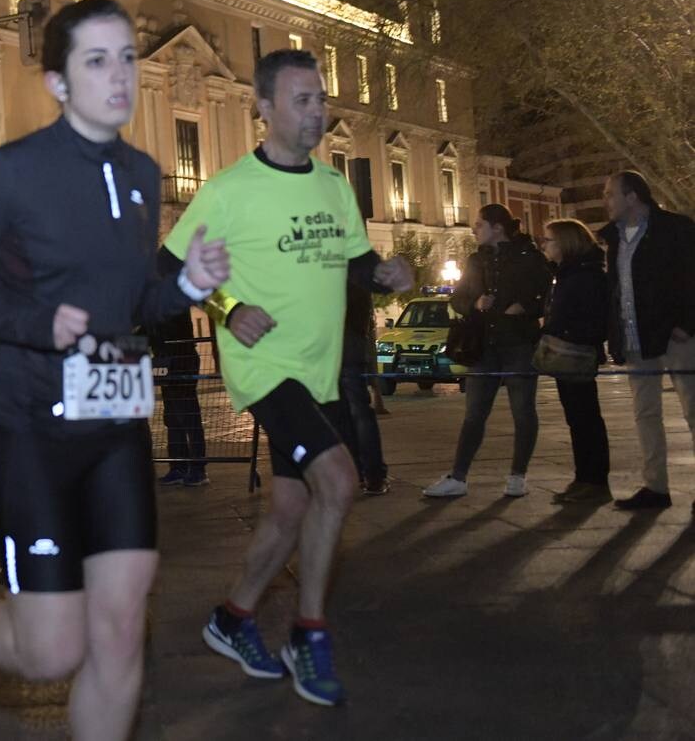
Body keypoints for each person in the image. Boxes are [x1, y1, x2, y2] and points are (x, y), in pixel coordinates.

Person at [0, 0, 229, 740]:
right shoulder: (14, 172)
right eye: (96, 61)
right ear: (61, 82)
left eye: (129, 58)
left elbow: (134, 298)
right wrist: (35, 324)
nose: (120, 76)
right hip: (33, 431)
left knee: (121, 630)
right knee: (50, 653)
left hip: (118, 428)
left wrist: (190, 286)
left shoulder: (141, 175)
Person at [162, 48, 411, 707]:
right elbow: (167, 273)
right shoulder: (228, 190)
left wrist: (384, 274)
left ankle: (232, 619)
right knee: (340, 480)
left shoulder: (334, 187)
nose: (318, 112)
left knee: (290, 510)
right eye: (303, 100)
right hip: (265, 370)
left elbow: (356, 265)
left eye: (321, 99)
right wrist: (228, 308)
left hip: (320, 373)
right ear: (265, 109)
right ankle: (308, 633)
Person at [423, 204, 551, 499]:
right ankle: (458, 475)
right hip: (484, 344)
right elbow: (458, 299)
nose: (474, 229)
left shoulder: (529, 257)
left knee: (523, 411)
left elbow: (544, 293)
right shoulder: (476, 260)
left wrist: (526, 307)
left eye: (479, 224)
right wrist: (475, 303)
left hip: (518, 342)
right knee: (474, 414)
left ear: (497, 227)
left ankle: (518, 475)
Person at [597, 172, 695, 512]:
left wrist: (686, 323)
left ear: (633, 196)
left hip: (676, 336)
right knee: (645, 413)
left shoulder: (676, 229)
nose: (605, 201)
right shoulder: (613, 238)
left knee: (693, 410)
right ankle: (656, 486)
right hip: (636, 337)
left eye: (610, 194)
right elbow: (616, 291)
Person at [540, 219, 611, 504]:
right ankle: (585, 478)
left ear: (566, 243)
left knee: (585, 417)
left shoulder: (584, 276)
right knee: (577, 418)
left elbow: (589, 315)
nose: (544, 245)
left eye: (549, 240)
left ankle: (594, 480)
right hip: (567, 351)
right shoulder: (568, 273)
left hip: (576, 352)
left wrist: (558, 331)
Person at [147, 248, 208, 487]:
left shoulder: (175, 299)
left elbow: (166, 325)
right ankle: (178, 465)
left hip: (180, 361)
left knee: (188, 415)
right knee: (172, 416)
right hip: (167, 361)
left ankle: (197, 468)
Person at [333, 286, 389, 495]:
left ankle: (358, 473)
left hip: (334, 344)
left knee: (345, 413)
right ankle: (372, 475)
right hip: (349, 343)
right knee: (357, 413)